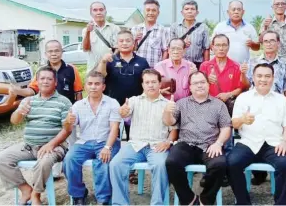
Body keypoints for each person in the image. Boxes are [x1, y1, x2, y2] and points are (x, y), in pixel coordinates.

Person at [0, 66, 72, 205]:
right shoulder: (28, 101)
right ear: (37, 81)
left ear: (55, 83)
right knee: (0, 159)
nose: (45, 81)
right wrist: (19, 112)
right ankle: (25, 190)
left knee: (44, 163)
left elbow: (68, 129)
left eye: (49, 79)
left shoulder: (63, 102)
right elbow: (14, 121)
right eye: (42, 78)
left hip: (55, 146)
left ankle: (36, 195)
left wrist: (51, 144)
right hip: (29, 146)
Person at [227, 63, 286, 205]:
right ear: (253, 77)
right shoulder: (243, 98)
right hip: (248, 142)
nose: (263, 80)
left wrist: (284, 142)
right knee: (231, 163)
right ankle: (243, 202)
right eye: (259, 76)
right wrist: (242, 119)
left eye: (267, 76)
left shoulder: (281, 100)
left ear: (273, 78)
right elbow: (234, 123)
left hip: (274, 144)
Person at [110, 68, 178, 205]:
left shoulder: (168, 104)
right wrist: (123, 111)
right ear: (142, 85)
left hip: (157, 146)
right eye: (147, 82)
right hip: (135, 145)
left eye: (154, 82)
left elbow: (174, 130)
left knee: (160, 165)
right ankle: (120, 203)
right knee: (115, 164)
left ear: (160, 84)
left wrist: (168, 142)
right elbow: (125, 113)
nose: (150, 85)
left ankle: (157, 203)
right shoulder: (134, 101)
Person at [164, 72, 232, 205]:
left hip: (210, 145)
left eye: (202, 82)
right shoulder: (181, 103)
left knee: (219, 165)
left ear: (208, 84)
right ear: (190, 87)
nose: (199, 85)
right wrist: (167, 111)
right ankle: (188, 198)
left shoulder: (219, 104)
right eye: (195, 83)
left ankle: (206, 199)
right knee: (172, 162)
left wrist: (218, 143)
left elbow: (226, 128)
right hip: (186, 144)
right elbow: (170, 122)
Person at [63, 71, 121, 205]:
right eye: (90, 84)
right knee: (69, 160)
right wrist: (67, 121)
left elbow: (114, 128)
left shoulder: (112, 103)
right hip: (84, 142)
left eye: (97, 84)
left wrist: (107, 147)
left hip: (106, 141)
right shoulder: (77, 105)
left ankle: (103, 198)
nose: (93, 87)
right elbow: (69, 127)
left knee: (103, 161)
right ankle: (79, 194)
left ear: (103, 87)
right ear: (85, 86)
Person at [97, 29, 150, 141]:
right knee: (113, 138)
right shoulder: (110, 60)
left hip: (136, 106)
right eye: (121, 41)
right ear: (117, 44)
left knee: (134, 138)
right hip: (114, 105)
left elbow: (148, 81)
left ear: (133, 43)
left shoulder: (142, 62)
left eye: (128, 41)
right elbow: (100, 76)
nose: (124, 43)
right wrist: (102, 61)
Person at [9, 39, 83, 103]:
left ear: (62, 52)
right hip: (47, 110)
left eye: (57, 51)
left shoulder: (72, 69)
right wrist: (18, 91)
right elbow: (32, 90)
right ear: (45, 54)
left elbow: (78, 93)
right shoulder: (41, 71)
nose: (53, 54)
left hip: (67, 110)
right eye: (50, 51)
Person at [244, 30, 286, 103]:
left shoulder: (284, 63)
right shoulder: (253, 62)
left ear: (278, 43)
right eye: (266, 41)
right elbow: (247, 85)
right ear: (262, 44)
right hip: (256, 103)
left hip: (277, 104)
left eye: (272, 41)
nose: (269, 44)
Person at [199, 34, 246, 110]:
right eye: (217, 45)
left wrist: (228, 95)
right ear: (212, 47)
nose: (221, 48)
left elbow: (240, 89)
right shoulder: (205, 66)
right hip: (208, 106)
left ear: (228, 47)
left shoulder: (236, 66)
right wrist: (206, 80)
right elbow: (198, 87)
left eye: (224, 45)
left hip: (228, 106)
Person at [212, 0, 260, 64]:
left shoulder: (250, 28)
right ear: (228, 12)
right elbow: (211, 45)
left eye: (239, 9)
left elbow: (257, 47)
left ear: (243, 12)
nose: (236, 12)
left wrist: (252, 44)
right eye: (233, 9)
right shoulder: (220, 27)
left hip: (243, 67)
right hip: (224, 67)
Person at [170, 0, 210, 69]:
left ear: (197, 12)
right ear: (182, 12)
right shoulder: (174, 27)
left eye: (192, 9)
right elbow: (170, 47)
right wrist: (182, 44)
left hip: (197, 63)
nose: (189, 11)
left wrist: (205, 67)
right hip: (179, 62)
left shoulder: (203, 27)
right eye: (186, 9)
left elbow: (206, 48)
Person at [82, 1, 121, 72]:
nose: (98, 12)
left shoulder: (115, 28)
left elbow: (119, 48)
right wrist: (88, 32)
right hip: (93, 70)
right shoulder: (86, 30)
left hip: (111, 69)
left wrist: (110, 59)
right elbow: (85, 49)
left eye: (101, 9)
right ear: (91, 13)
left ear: (105, 11)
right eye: (95, 10)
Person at [131, 0, 170, 67]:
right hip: (137, 67)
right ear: (144, 12)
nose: (150, 13)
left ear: (158, 13)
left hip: (154, 69)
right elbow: (130, 50)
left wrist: (161, 67)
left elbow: (165, 51)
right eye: (148, 10)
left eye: (153, 10)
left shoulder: (163, 30)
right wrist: (135, 40)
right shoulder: (135, 28)